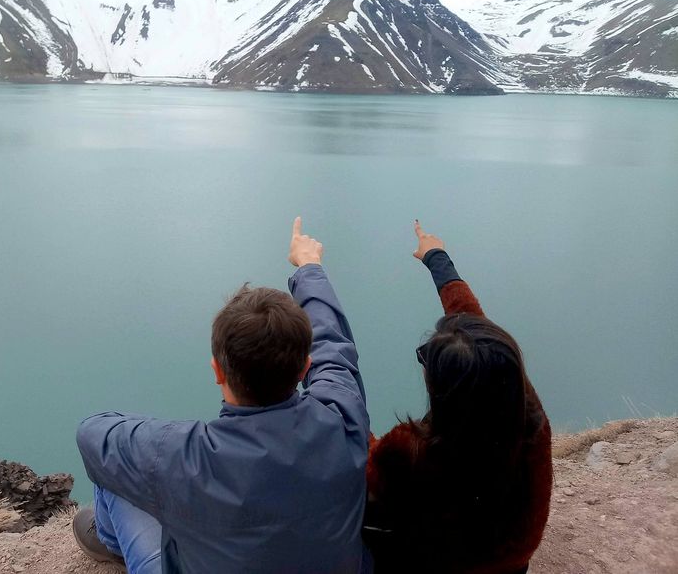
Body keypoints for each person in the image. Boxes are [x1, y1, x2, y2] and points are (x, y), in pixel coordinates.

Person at [73, 218, 371, 574]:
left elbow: (91, 434)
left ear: (217, 370)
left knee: (116, 477)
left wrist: (163, 442)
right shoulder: (343, 420)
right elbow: (333, 344)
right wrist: (309, 266)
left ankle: (108, 542)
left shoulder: (184, 458)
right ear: (306, 368)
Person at [363, 221, 552, 574]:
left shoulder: (408, 453)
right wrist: (436, 257)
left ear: (440, 386)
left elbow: (357, 459)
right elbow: (478, 330)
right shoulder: (529, 424)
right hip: (509, 564)